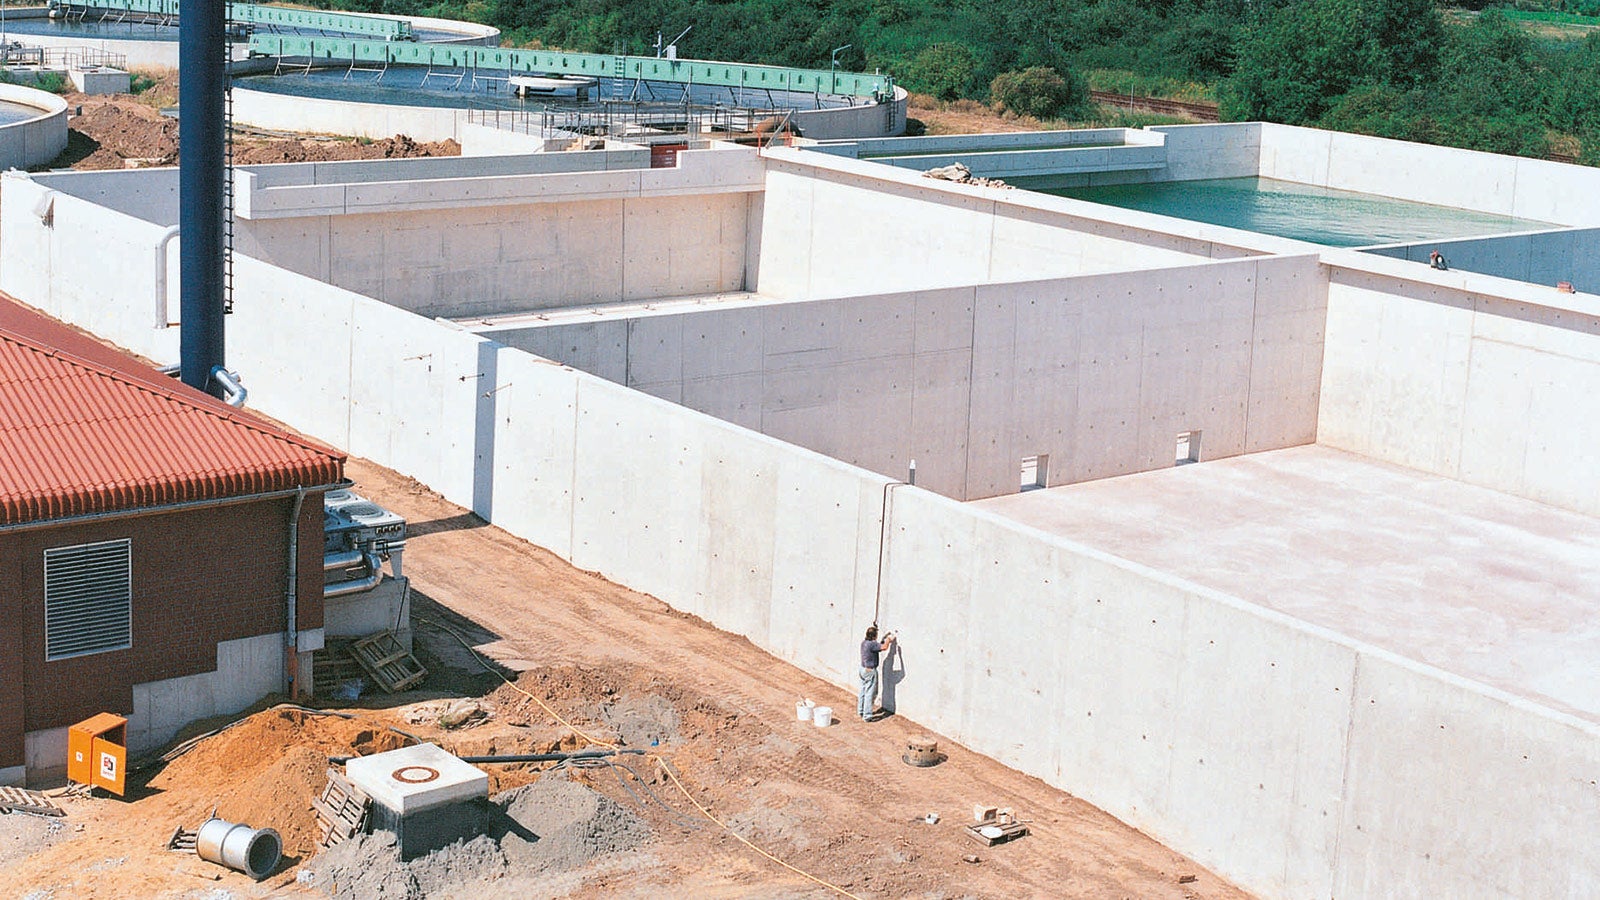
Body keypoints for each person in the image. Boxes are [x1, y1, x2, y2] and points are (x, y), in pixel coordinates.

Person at [858, 625, 896, 721]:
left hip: (862, 669)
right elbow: (884, 647)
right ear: (874, 636)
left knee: (863, 691)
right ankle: (867, 716)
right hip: (870, 671)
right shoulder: (872, 644)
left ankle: (861, 711)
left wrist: (883, 639)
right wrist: (888, 640)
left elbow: (877, 646)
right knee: (870, 693)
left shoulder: (864, 643)